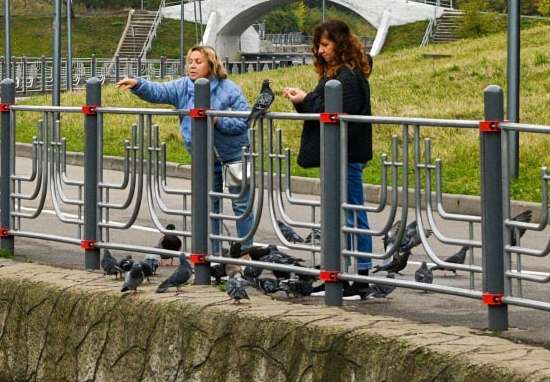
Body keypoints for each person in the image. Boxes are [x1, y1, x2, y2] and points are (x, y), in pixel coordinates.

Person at [117, 45, 254, 255]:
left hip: (234, 156)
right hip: (204, 159)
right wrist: (138, 84)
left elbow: (244, 121)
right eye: (190, 61)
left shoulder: (230, 89)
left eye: (198, 62)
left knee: (241, 205)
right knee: (209, 208)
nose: (192, 66)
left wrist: (218, 120)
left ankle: (247, 253)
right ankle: (213, 255)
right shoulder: (182, 87)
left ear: (211, 64)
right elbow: (158, 91)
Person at [281, 19, 373, 287]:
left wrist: (305, 99)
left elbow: (336, 112)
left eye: (325, 45)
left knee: (352, 212)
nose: (320, 50)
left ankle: (361, 277)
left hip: (346, 154)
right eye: (318, 45)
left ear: (340, 44)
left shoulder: (347, 76)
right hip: (338, 154)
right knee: (339, 213)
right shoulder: (339, 73)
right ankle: (341, 273)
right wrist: (305, 98)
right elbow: (324, 107)